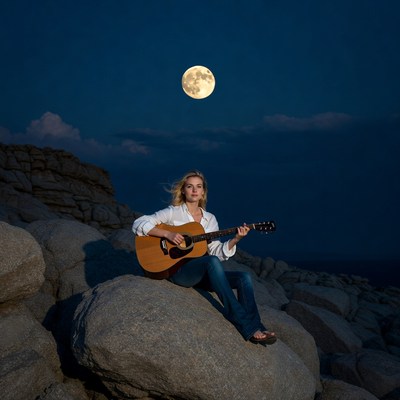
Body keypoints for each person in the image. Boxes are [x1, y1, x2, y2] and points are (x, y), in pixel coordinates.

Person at [132, 170, 276, 345]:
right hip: (177, 271)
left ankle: (257, 325)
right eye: (190, 186)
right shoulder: (173, 212)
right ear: (183, 190)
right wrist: (168, 234)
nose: (194, 190)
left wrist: (236, 239)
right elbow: (139, 223)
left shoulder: (209, 219)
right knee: (211, 262)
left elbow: (216, 251)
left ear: (203, 192)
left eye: (198, 187)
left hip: (200, 273)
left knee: (243, 277)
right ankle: (247, 326)